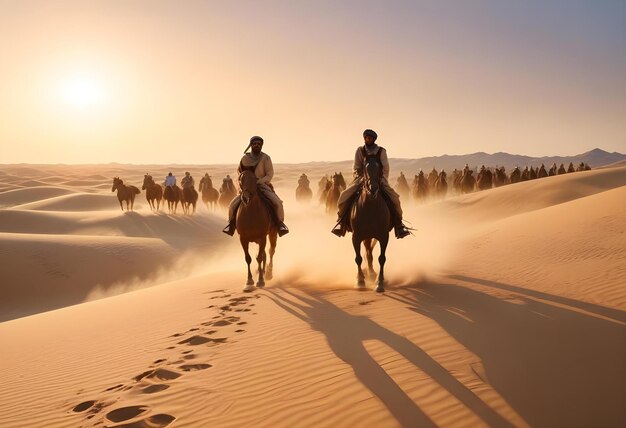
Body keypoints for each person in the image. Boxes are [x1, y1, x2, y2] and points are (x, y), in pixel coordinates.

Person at [331, 129, 411, 239]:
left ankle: (399, 225)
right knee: (343, 196)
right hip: (362, 180)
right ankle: (341, 223)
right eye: (365, 138)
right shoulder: (360, 150)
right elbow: (356, 167)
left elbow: (386, 167)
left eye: (369, 138)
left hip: (379, 180)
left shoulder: (381, 151)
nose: (366, 140)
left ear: (373, 139)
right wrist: (360, 178)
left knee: (395, 198)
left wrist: (382, 179)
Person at [223, 136, 289, 237]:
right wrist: (245, 183)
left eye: (259, 144)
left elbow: (269, 174)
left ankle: (280, 225)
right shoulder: (245, 159)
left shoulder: (266, 158)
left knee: (277, 203)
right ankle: (231, 225)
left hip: (262, 186)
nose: (257, 145)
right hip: (247, 188)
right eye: (254, 144)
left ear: (261, 145)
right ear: (251, 145)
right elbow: (240, 174)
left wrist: (259, 181)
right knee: (232, 206)